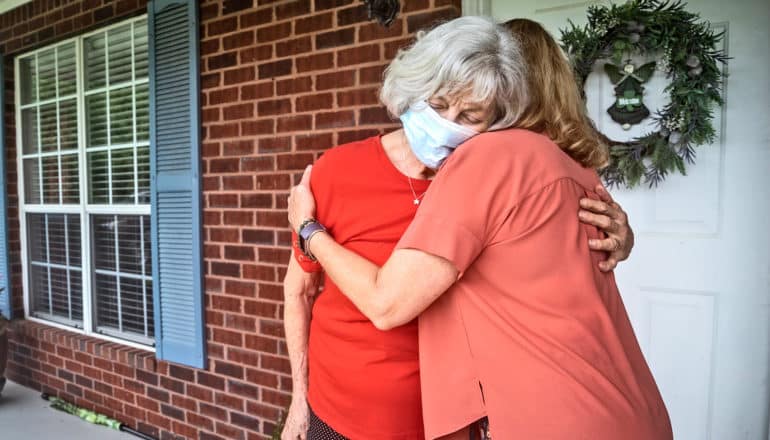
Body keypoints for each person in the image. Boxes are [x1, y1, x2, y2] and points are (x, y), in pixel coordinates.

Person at [281, 16, 636, 440]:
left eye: (470, 115)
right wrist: (299, 399)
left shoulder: (490, 178)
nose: (447, 123)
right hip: (338, 415)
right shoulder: (336, 171)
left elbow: (564, 246)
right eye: (438, 104)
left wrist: (624, 236)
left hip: (451, 424)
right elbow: (299, 291)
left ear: (501, 120)